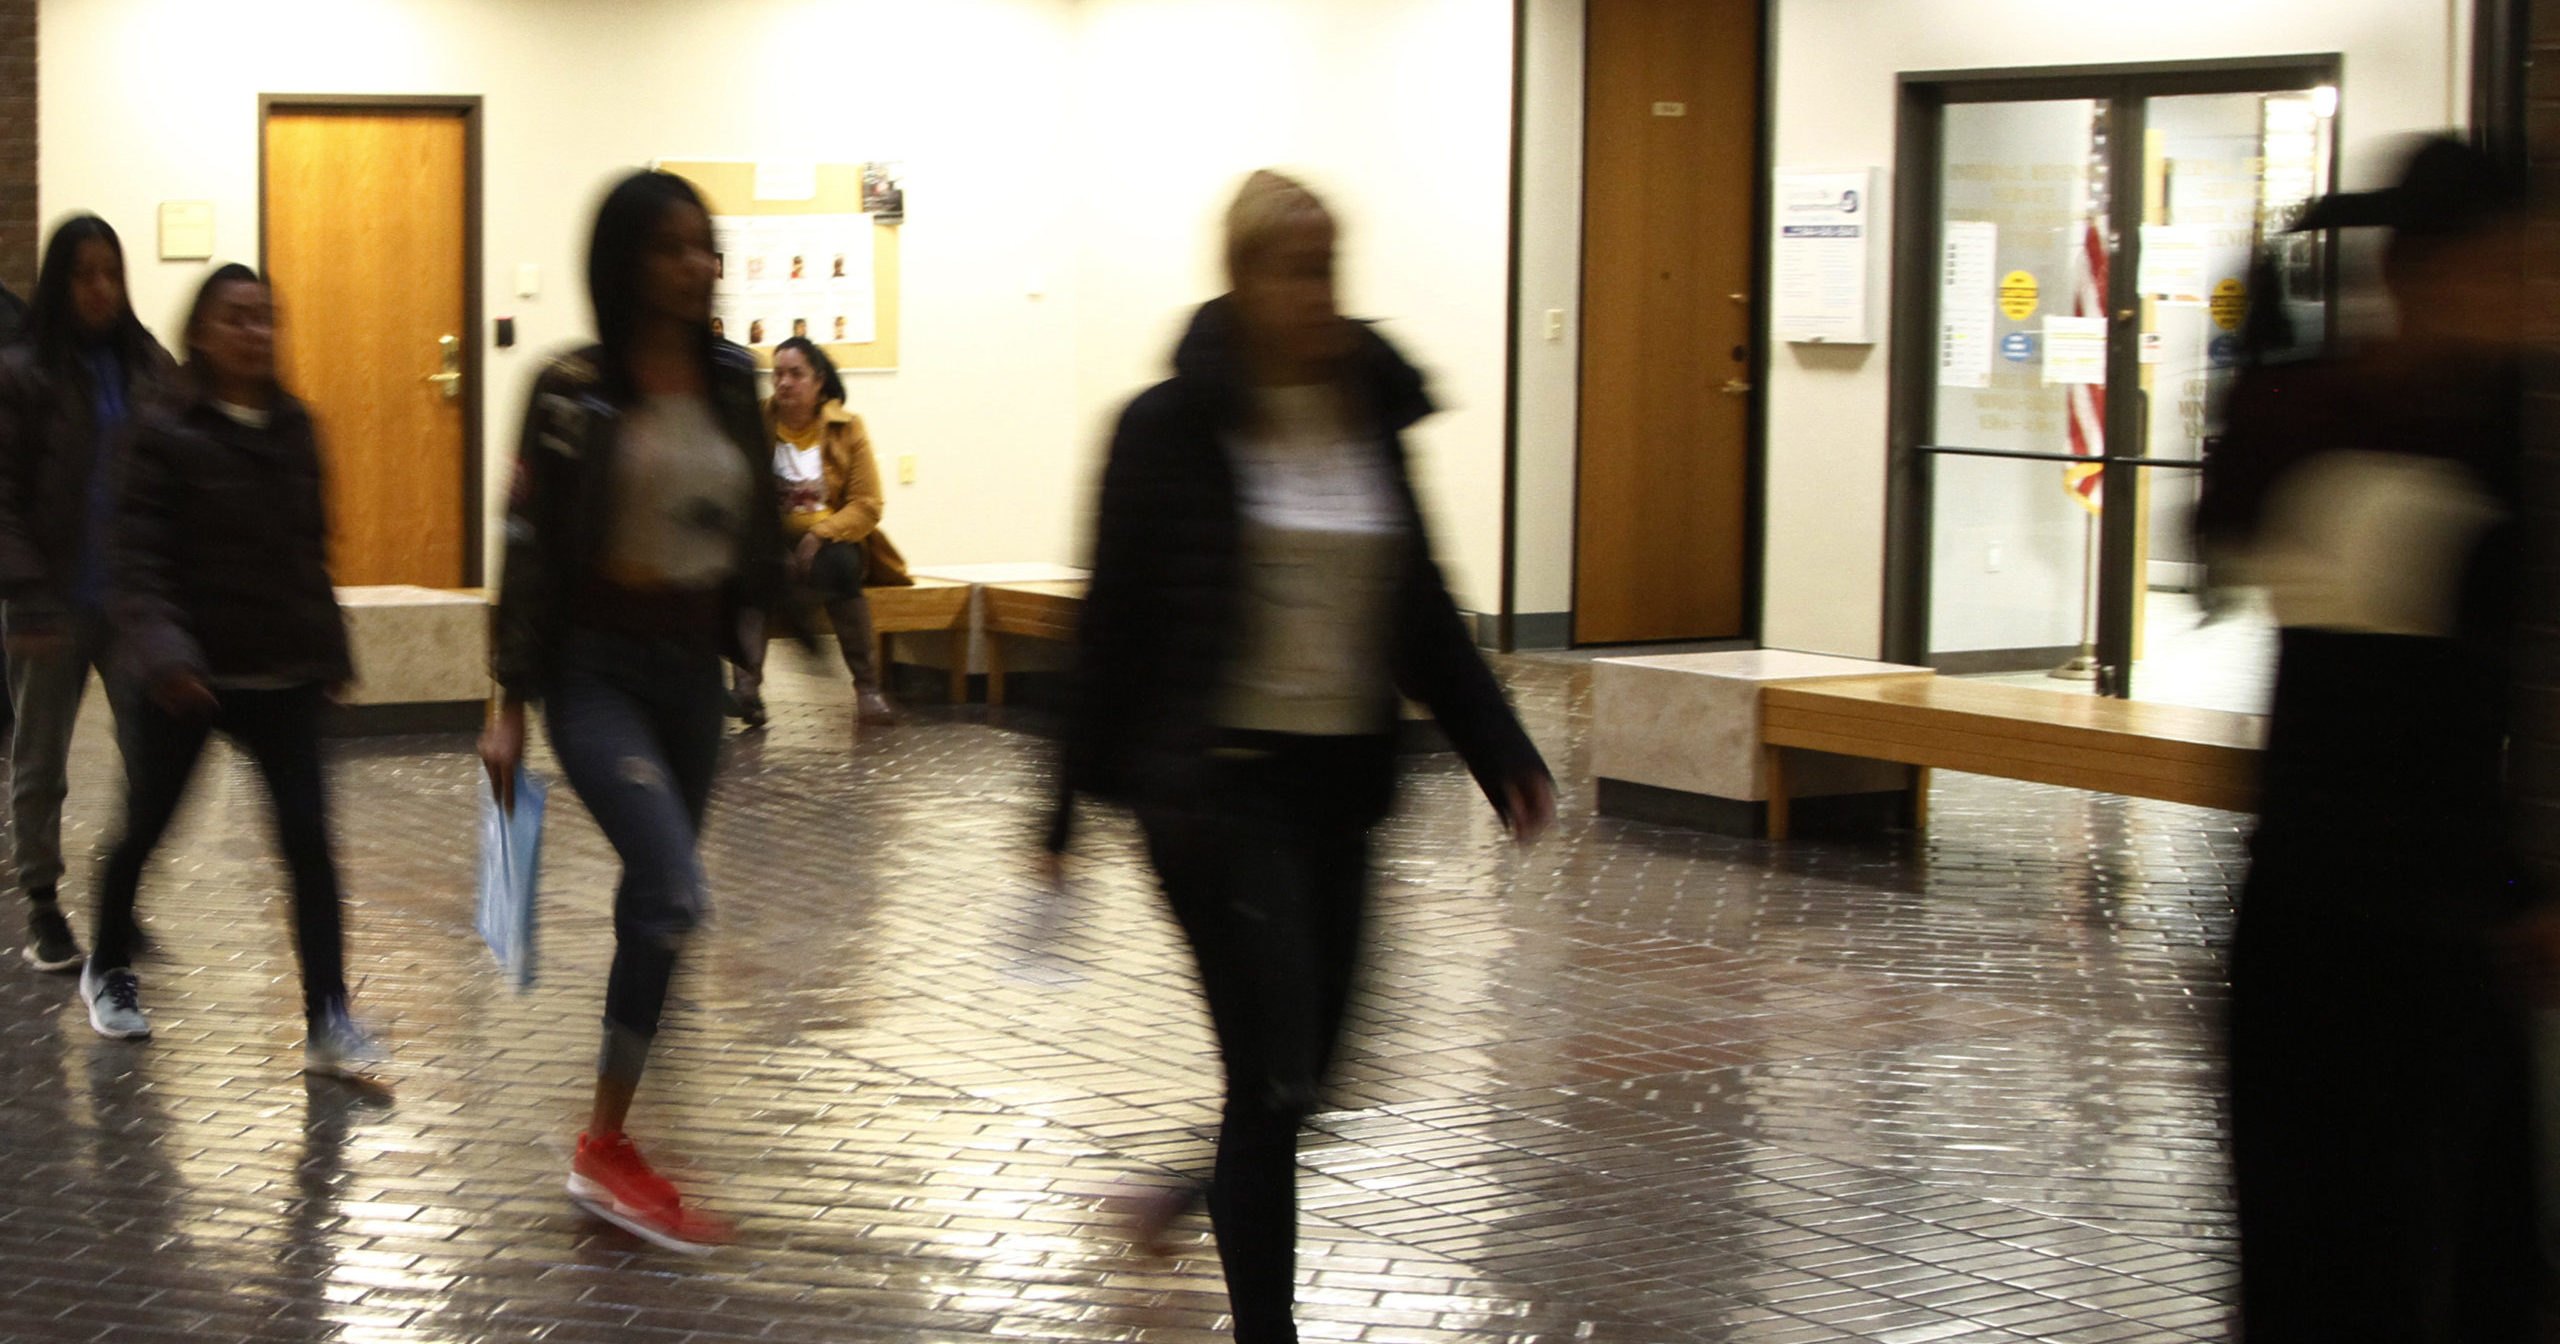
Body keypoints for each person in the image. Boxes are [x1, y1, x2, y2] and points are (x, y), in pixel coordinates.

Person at [1043, 170, 1555, 1344]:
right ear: (1239, 277)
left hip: (1337, 787)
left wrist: (1497, 743)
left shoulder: (1363, 407)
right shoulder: (1168, 428)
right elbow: (1110, 626)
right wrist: (1058, 822)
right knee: (1273, 1075)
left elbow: (1417, 599)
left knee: (1318, 1066)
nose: (1317, 291)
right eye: (1293, 267)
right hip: (1212, 791)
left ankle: (1189, 1189)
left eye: (1329, 265)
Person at [2198, 136, 2544, 1341]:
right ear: (2418, 273)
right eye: (2510, 272)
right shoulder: (2343, 430)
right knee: (2348, 1254)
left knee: (2452, 1249)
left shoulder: (2472, 425)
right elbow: (2386, 735)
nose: (2531, 302)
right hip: (2355, 916)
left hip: (2417, 911)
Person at [482, 169, 797, 1254]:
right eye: (672, 246)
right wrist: (505, 701)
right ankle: (604, 1149)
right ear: (626, 261)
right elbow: (526, 549)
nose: (696, 263)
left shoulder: (729, 377)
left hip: (688, 672)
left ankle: (606, 1142)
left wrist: (768, 612)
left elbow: (753, 513)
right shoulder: (570, 388)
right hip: (596, 667)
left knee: (649, 910)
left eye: (704, 245)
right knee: (671, 884)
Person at [80, 264, 383, 1076]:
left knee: (310, 847)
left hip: (279, 677)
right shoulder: (161, 427)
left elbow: (309, 556)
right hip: (190, 682)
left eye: (268, 318)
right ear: (201, 334)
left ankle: (328, 1016)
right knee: (148, 829)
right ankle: (106, 965)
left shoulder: (295, 428)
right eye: (238, 319)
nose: (257, 333)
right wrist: (170, 661)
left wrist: (328, 656)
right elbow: (136, 564)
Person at [0, 216, 174, 973]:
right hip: (53, 599)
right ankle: (42, 902)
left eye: (112, 272)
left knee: (151, 754)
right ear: (60, 282)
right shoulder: (25, 371)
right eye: (85, 274)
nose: (101, 288)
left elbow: (177, 477)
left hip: (129, 602)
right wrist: (27, 593)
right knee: (41, 758)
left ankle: (121, 896)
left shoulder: (148, 364)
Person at [728, 334, 908, 729]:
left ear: (819, 381)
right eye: (778, 374)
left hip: (830, 540)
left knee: (840, 566)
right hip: (769, 539)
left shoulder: (848, 428)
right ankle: (747, 690)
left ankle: (867, 688)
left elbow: (867, 504)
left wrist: (819, 533)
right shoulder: (759, 421)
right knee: (751, 572)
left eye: (796, 374)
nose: (785, 383)